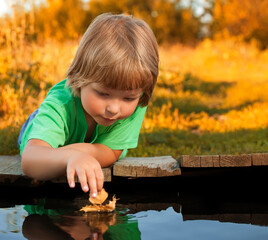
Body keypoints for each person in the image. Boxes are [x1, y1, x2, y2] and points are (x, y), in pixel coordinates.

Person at [18, 13, 159, 198]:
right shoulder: (61, 104)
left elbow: (112, 152)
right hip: (38, 125)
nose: (114, 109)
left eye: (128, 98)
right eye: (102, 93)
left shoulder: (136, 101)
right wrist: (71, 157)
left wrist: (82, 153)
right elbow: (30, 160)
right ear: (80, 78)